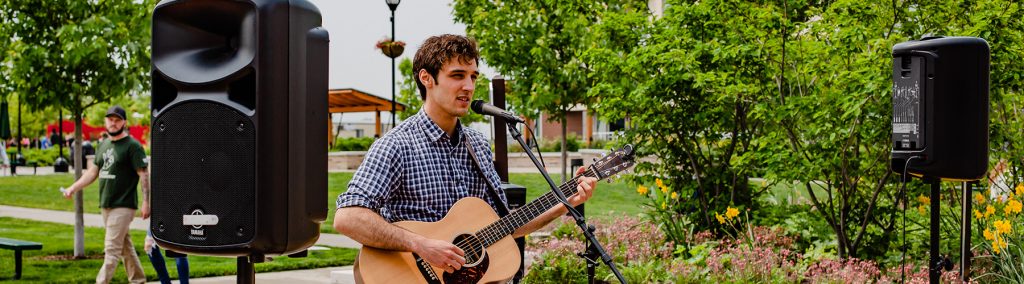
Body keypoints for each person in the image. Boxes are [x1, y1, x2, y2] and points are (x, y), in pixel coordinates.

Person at [333, 34, 599, 275]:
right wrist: (421, 244)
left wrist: (565, 203)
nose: (469, 86)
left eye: (473, 77)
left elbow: (506, 226)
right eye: (458, 75)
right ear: (427, 78)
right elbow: (348, 217)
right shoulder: (397, 145)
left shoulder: (477, 144)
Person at [62, 105, 150, 284]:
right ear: (105, 121)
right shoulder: (103, 144)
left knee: (111, 251)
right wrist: (73, 187)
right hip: (106, 204)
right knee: (125, 247)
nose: (113, 123)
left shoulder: (133, 146)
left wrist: (146, 202)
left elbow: (144, 174)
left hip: (123, 205)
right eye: (110, 119)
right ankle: (139, 280)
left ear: (124, 122)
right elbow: (93, 172)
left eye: (117, 120)